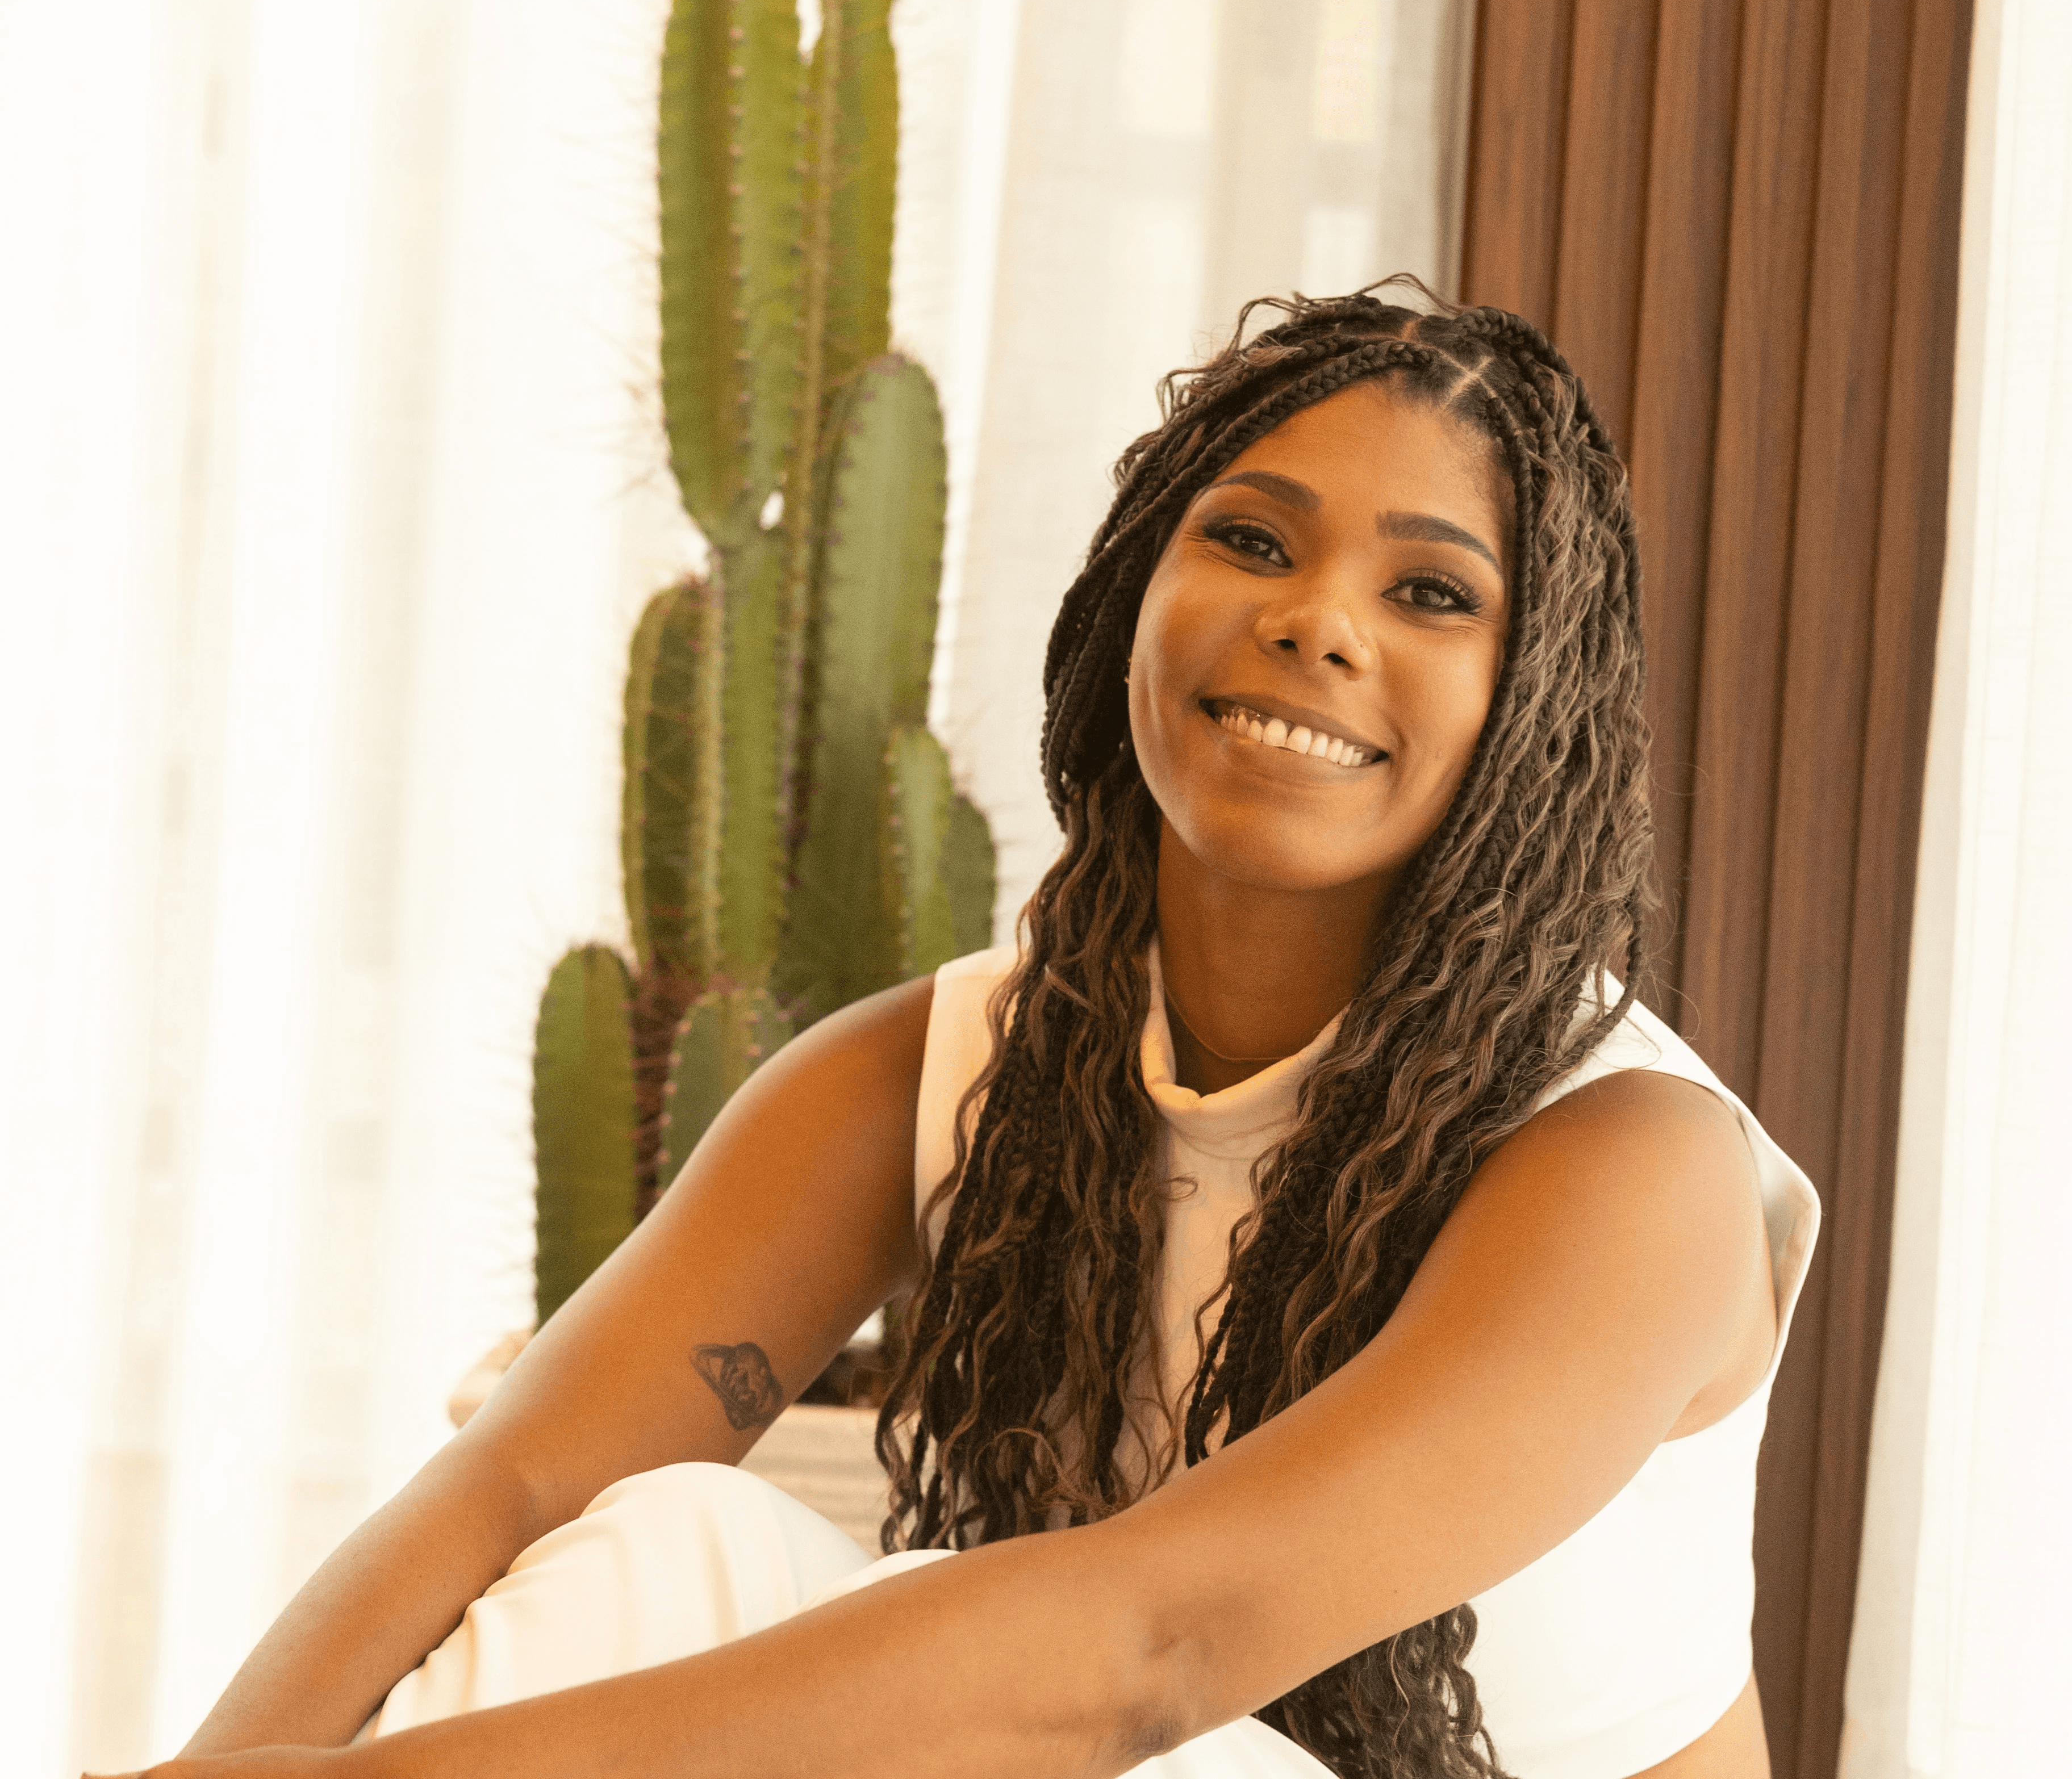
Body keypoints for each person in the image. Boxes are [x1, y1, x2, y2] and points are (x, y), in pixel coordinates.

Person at [130, 289, 1817, 1779]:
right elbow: (511, 1491)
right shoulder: (940, 1071)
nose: (1320, 620)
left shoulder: (1627, 1164)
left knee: (1018, 1667)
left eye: (1435, 593)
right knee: (678, 1543)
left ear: (1539, 708)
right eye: (1251, 539)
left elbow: (1141, 1659)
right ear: (1129, 598)